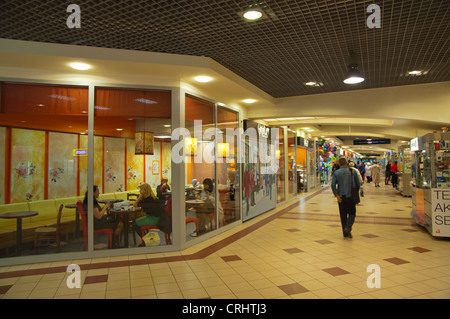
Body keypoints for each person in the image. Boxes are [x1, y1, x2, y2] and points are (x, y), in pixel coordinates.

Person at [331, 158, 361, 238]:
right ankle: (348, 227)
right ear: (346, 163)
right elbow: (358, 184)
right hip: (350, 197)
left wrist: (336, 195)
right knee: (352, 213)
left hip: (341, 197)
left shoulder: (336, 172)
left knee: (343, 215)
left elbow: (333, 185)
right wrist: (356, 192)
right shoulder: (353, 171)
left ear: (339, 164)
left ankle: (345, 233)